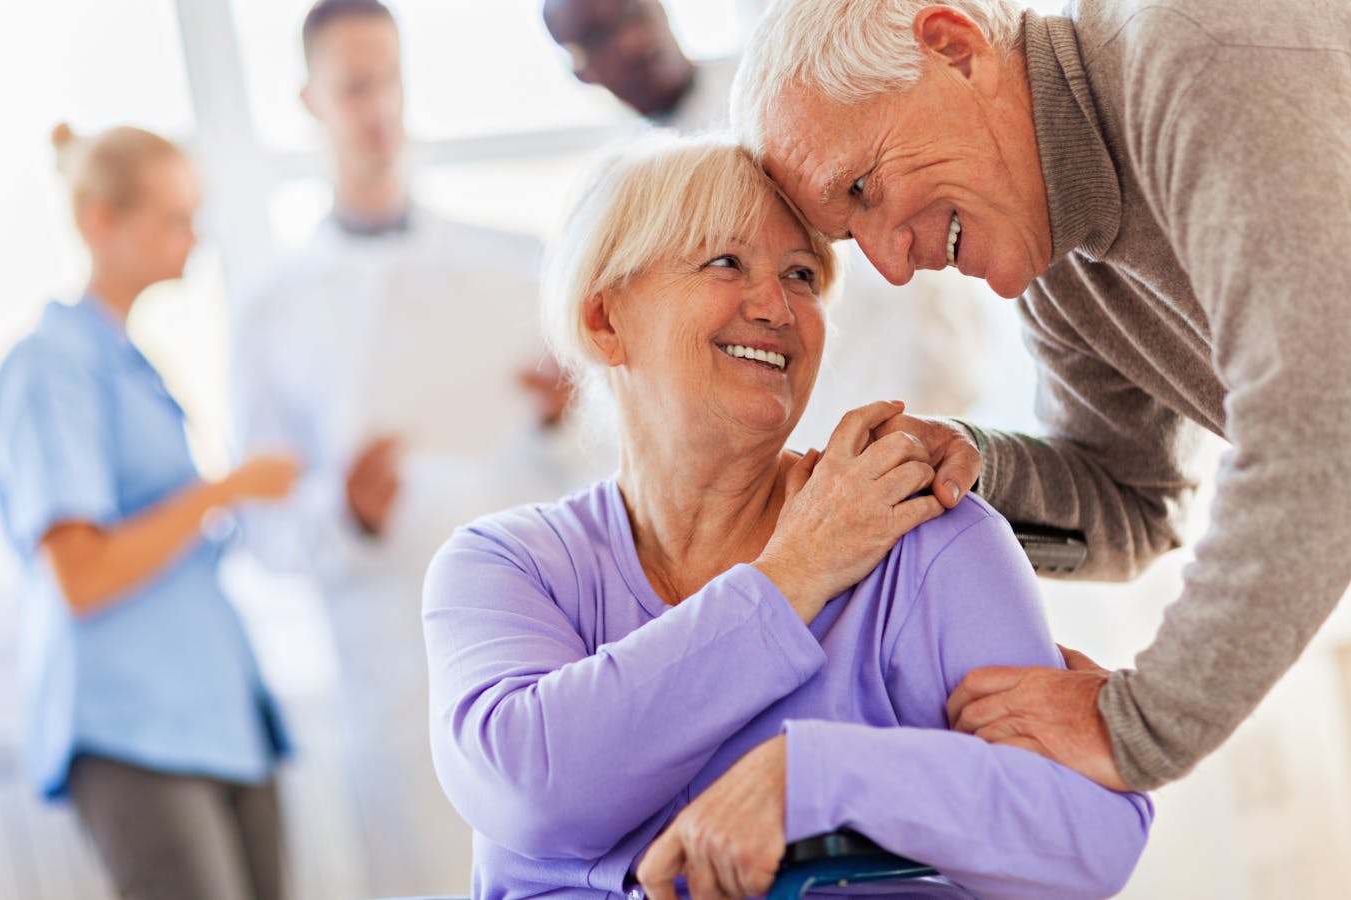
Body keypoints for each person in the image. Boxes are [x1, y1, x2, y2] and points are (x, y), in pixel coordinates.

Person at [423, 136, 1152, 900]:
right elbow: (533, 790)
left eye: (801, 275)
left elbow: (1090, 840)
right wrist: (793, 574)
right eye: (724, 262)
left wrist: (820, 777)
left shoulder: (926, 542)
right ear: (605, 320)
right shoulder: (506, 566)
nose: (776, 307)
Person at [729, 0, 1351, 796]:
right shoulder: (1064, 273)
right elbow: (1138, 508)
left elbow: (1319, 426)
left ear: (954, 48)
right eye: (852, 234)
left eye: (863, 187)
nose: (891, 263)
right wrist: (967, 466)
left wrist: (1141, 725)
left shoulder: (1197, 47)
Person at [230, 0, 596, 893]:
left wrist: (562, 417)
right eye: (354, 88)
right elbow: (262, 530)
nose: (379, 110)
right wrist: (344, 513)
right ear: (310, 101)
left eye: (388, 81)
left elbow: (605, 471)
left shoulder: (512, 266)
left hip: (535, 637)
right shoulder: (274, 311)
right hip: (390, 672)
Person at [0, 123, 297, 900]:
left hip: (218, 715)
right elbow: (81, 575)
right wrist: (223, 491)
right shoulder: (48, 369)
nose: (195, 238)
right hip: (133, 725)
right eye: (174, 218)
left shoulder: (130, 364)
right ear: (101, 223)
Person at [540, 0, 988, 448]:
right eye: (599, 37)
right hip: (800, 413)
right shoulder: (624, 193)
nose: (632, 42)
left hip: (907, 349)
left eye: (632, 16)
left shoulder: (780, 87)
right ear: (580, 71)